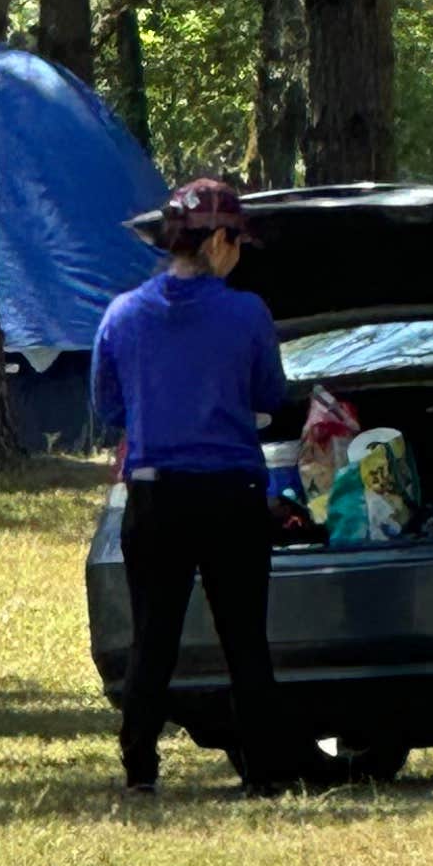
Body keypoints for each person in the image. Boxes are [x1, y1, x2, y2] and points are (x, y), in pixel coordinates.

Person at [91, 175, 311, 797]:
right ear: (217, 241)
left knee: (153, 635)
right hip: (229, 494)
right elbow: (270, 395)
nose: (239, 254)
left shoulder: (122, 314)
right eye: (236, 242)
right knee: (243, 637)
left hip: (154, 494)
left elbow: (108, 407)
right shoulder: (246, 313)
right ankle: (263, 771)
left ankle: (139, 768)